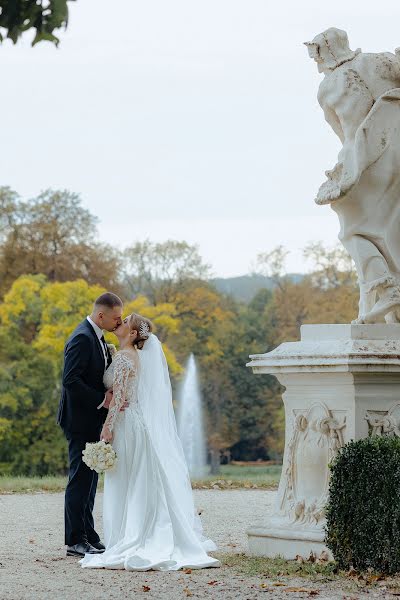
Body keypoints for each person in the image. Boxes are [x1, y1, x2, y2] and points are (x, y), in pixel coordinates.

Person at [80, 313, 220, 571]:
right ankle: (138, 530)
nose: (119, 323)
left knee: (129, 479)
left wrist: (108, 429)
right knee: (136, 478)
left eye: (125, 322)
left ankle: (134, 535)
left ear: (132, 334)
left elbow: (120, 397)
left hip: (126, 424)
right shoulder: (128, 354)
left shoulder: (125, 357)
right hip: (134, 423)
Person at [305, 28, 400, 323]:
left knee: (354, 230)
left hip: (363, 158)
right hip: (396, 148)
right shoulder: (379, 61)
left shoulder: (328, 86)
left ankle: (385, 292)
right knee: (393, 225)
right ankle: (389, 308)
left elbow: (342, 133)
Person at [57, 292, 123, 557]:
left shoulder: (98, 337)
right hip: (79, 420)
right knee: (80, 480)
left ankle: (89, 534)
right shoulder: (83, 338)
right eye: (116, 318)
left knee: (90, 480)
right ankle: (75, 540)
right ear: (101, 316)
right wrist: (102, 400)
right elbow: (70, 381)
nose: (119, 323)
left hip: (91, 419)